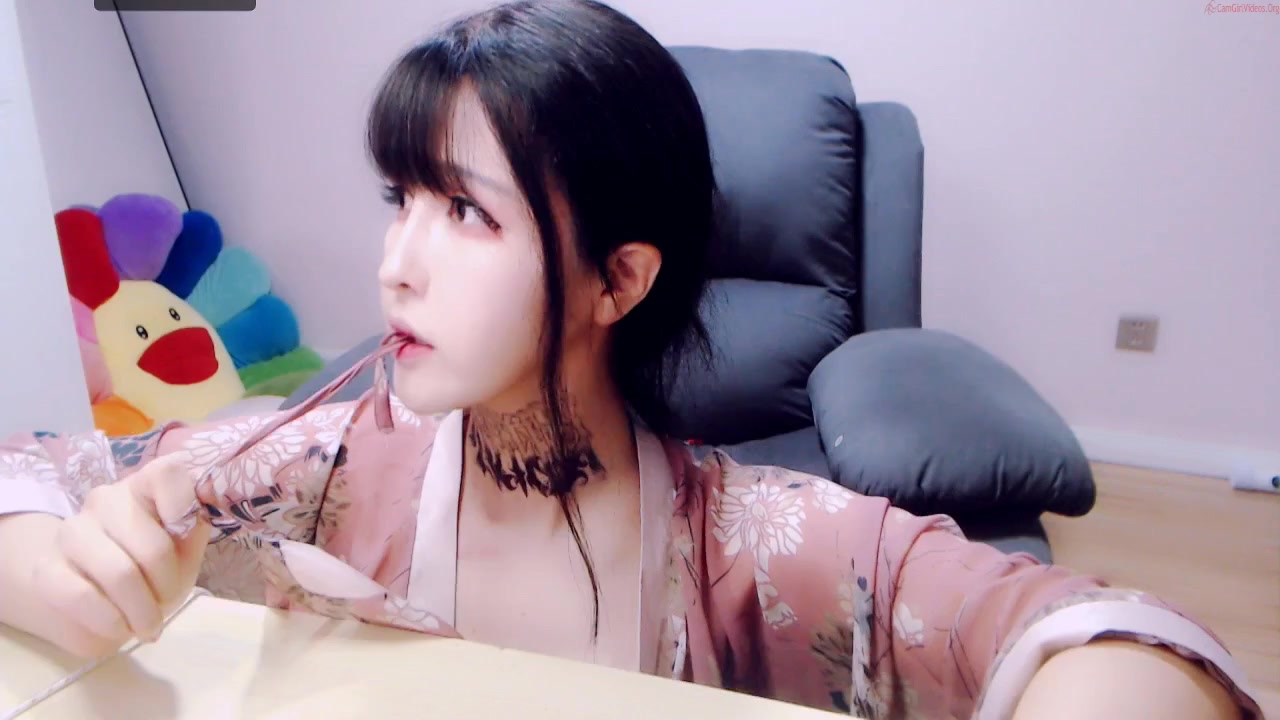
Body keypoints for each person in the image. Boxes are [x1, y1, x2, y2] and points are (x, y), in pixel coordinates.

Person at [0, 1, 1263, 717]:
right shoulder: (318, 469)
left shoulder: (755, 548)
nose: (394, 266)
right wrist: (57, 564)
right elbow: (35, 474)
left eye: (466, 212)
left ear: (619, 279)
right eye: (402, 200)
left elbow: (1110, 632)